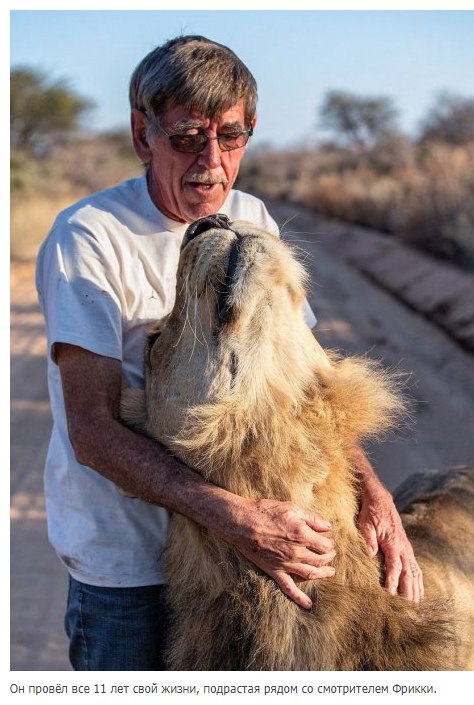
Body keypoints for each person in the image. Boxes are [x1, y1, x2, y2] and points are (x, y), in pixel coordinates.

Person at [36, 35, 423, 671]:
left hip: (241, 554)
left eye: (232, 135)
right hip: (133, 566)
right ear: (143, 135)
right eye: (187, 135)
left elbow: (307, 388)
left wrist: (374, 495)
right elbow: (93, 433)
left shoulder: (252, 219)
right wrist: (238, 519)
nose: (210, 160)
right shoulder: (89, 238)